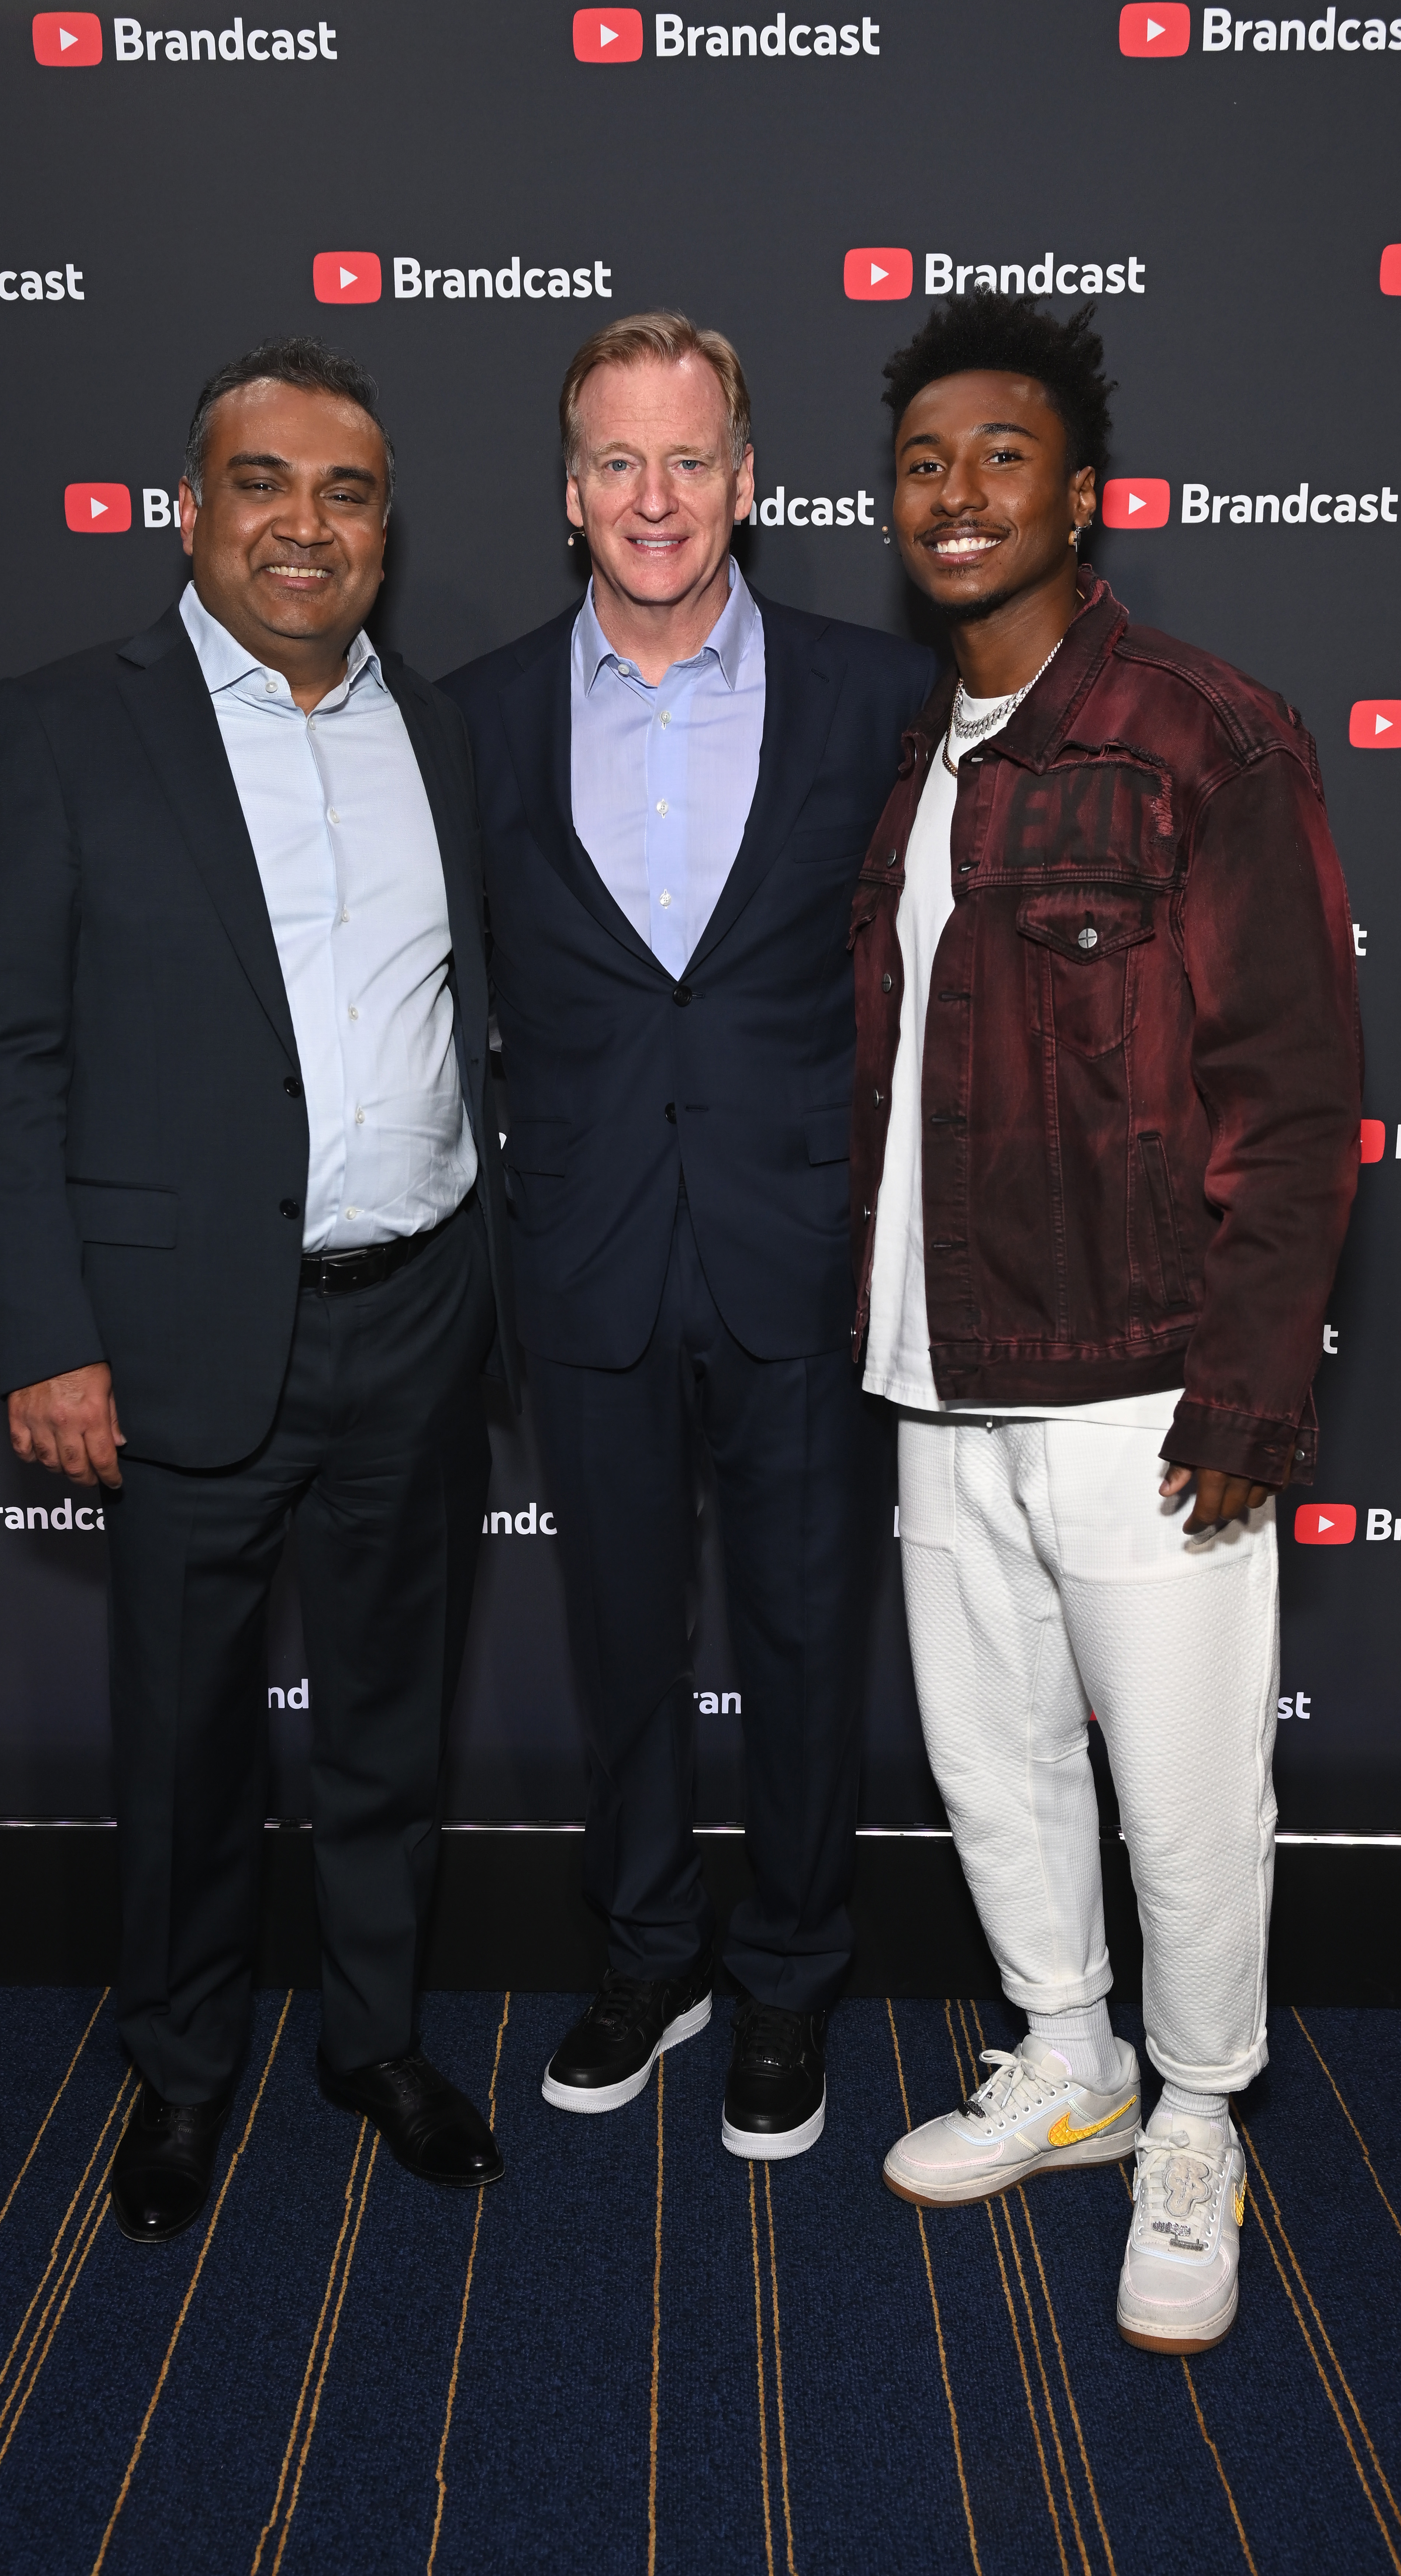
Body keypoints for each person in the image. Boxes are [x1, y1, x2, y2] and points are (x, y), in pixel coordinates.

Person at [0, 337, 516, 2238]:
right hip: (179, 1335)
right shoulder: (63, 723)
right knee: (185, 1738)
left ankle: (371, 2037)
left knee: (385, 1718)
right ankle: (180, 2071)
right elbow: (4, 1055)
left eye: (346, 492)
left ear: (384, 529)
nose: (305, 523)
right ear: (187, 511)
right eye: (263, 483)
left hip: (416, 1309)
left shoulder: (431, 726)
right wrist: (51, 1336)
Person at [852, 291, 1359, 2348]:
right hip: (929, 1366)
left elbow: (1292, 1086)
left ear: (1083, 494)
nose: (954, 492)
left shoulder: (1197, 733)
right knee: (992, 1768)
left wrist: (1247, 1381)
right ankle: (1071, 2063)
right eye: (919, 461)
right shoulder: (921, 754)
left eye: (999, 454)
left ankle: (1199, 2120)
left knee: (1181, 1790)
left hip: (1143, 1379)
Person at [444, 314, 934, 2159]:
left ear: (748, 477)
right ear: (572, 495)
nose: (657, 499)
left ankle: (793, 1972)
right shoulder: (477, 713)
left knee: (811, 1637)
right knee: (620, 1635)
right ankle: (652, 1952)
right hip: (583, 1255)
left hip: (803, 1248)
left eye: (690, 459)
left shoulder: (865, 696)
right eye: (618, 464)